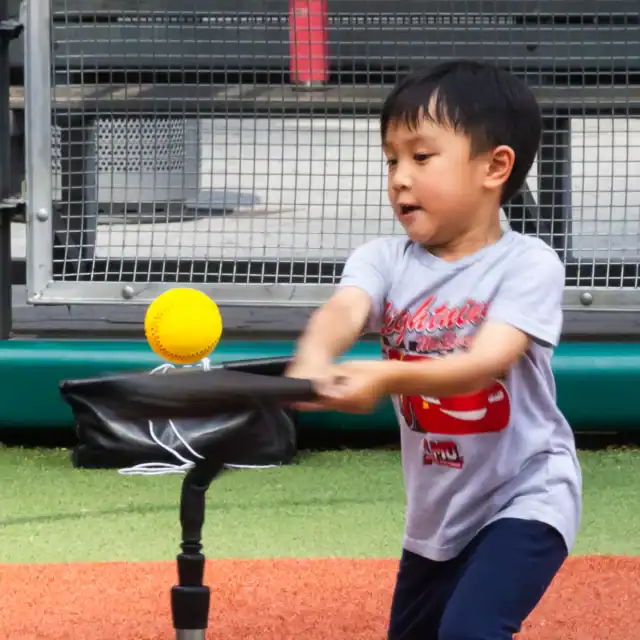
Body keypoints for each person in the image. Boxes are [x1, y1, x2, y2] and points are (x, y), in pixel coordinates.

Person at [286, 60, 582, 639]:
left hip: (527, 494)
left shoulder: (528, 264)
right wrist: (314, 359)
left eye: (421, 157)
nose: (399, 176)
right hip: (438, 512)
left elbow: (483, 364)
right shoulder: (382, 259)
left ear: (495, 166)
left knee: (470, 632)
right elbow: (344, 311)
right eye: (392, 160)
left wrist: (381, 380)